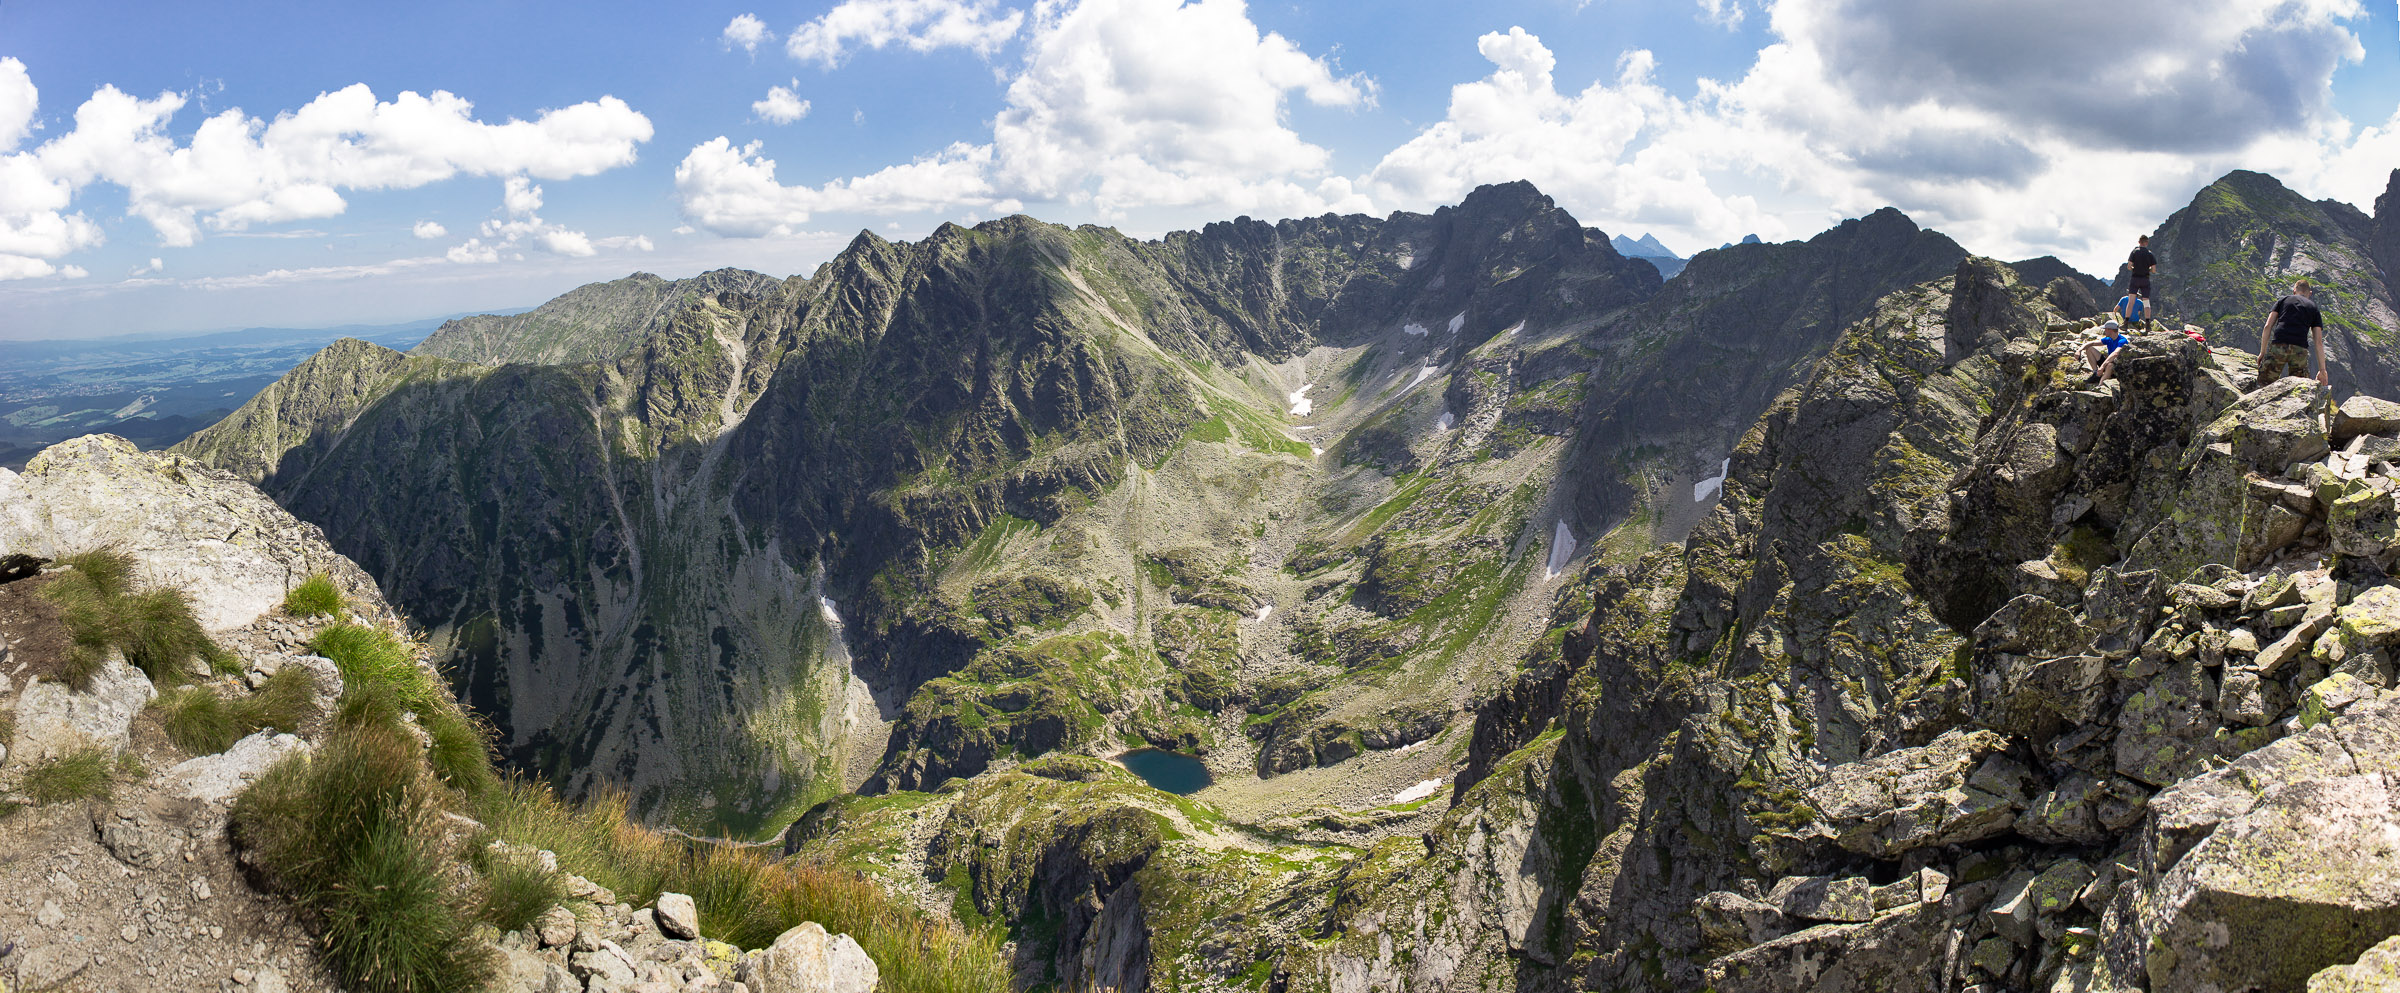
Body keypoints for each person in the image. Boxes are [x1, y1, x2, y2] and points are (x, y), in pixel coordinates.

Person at [2255, 277, 2326, 388]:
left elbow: (2267, 326)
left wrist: (2263, 352)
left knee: (2264, 383)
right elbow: (2318, 343)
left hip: (2279, 345)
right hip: (2300, 349)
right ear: (2310, 293)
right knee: (2299, 387)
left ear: (2294, 291)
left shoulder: (2283, 300)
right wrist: (2322, 370)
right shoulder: (2314, 308)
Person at [2125, 235, 2159, 300]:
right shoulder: (2150, 254)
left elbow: (2129, 267)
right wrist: (2148, 269)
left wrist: (2134, 269)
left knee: (2131, 301)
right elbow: (2154, 270)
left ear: (2139, 242)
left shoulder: (2134, 252)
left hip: (2135, 278)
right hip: (2145, 279)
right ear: (2147, 243)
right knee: (2146, 301)